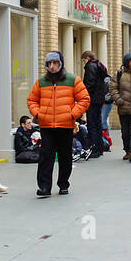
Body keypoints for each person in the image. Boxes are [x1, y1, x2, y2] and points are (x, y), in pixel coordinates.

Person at [26, 50, 89, 197]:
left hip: (65, 125)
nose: (52, 66)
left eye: (55, 63)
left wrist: (72, 114)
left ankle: (63, 184)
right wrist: (38, 114)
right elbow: (32, 100)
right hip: (47, 126)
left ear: (60, 64)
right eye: (49, 63)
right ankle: (44, 188)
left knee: (65, 157)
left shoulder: (73, 80)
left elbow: (85, 99)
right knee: (45, 157)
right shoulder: (41, 82)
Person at [81, 51, 108, 159]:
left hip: (92, 99)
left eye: (84, 60)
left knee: (92, 124)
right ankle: (100, 147)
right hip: (99, 99)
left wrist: (84, 95)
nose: (84, 62)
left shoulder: (90, 66)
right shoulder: (98, 65)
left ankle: (94, 149)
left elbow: (89, 83)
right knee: (97, 123)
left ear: (87, 58)